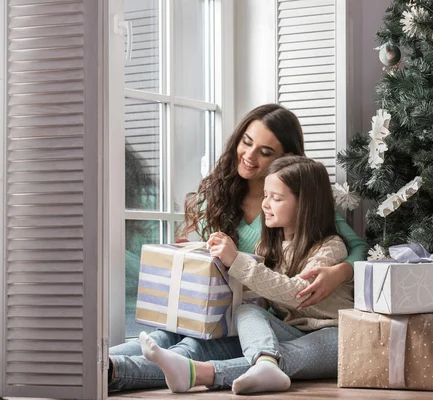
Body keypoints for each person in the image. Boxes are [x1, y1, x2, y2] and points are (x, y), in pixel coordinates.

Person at [108, 104, 368, 392]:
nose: (250, 156)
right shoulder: (222, 200)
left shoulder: (310, 215)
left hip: (277, 321)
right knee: (168, 335)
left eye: (266, 152)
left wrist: (340, 273)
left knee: (196, 347)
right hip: (233, 313)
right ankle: (100, 363)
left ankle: (119, 372)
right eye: (247, 142)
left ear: (287, 160)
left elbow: (355, 248)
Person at [140, 156, 354, 394]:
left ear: (305, 204)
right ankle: (260, 364)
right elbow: (258, 292)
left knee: (284, 357)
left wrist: (237, 260)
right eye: (265, 195)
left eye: (276, 198)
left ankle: (197, 373)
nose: (265, 204)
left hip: (335, 334)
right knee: (249, 311)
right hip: (291, 330)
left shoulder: (331, 246)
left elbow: (298, 293)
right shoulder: (268, 246)